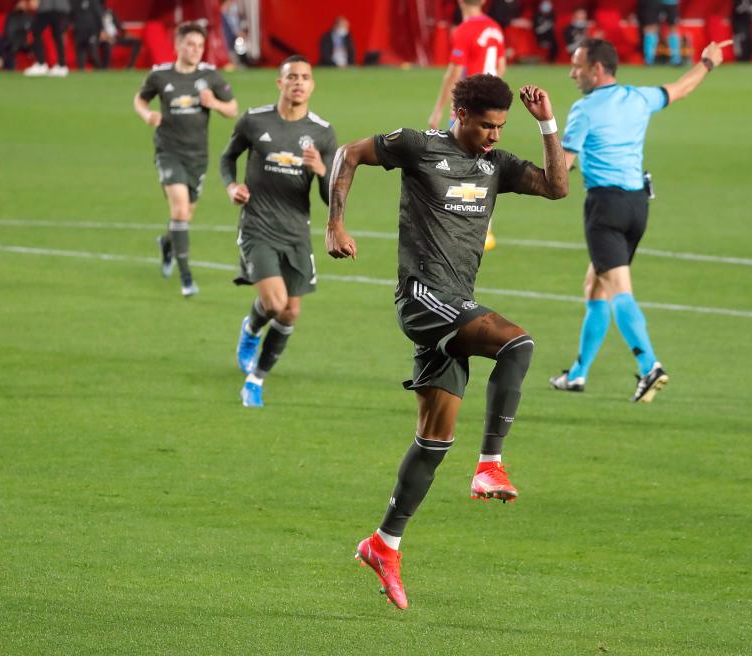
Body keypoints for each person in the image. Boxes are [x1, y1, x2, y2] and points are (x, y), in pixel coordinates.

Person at [326, 74, 568, 609]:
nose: (494, 136)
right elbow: (348, 153)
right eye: (486, 125)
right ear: (459, 113)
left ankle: (383, 544)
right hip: (423, 298)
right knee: (517, 343)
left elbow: (557, 187)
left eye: (501, 127)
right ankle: (489, 465)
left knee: (434, 440)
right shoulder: (418, 146)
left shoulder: (495, 166)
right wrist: (335, 224)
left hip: (453, 307)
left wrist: (547, 123)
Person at [549, 38, 731, 402]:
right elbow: (680, 89)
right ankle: (578, 374)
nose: (572, 74)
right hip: (637, 206)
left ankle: (650, 367)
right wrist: (707, 63)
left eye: (577, 67)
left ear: (596, 69)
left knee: (617, 288)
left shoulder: (583, 110)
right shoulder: (637, 97)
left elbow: (562, 166)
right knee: (595, 284)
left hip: (605, 208)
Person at [220, 56, 336, 408]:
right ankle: (252, 332)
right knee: (275, 302)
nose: (298, 83)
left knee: (290, 313)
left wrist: (321, 171)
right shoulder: (254, 121)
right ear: (279, 83)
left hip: (296, 232)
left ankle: (256, 377)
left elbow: (330, 197)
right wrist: (231, 187)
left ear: (312, 85)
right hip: (258, 226)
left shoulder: (322, 132)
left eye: (305, 77)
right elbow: (228, 158)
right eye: (292, 77)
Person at [132, 22, 238, 297]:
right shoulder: (160, 76)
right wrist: (147, 116)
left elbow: (233, 109)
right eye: (190, 44)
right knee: (179, 211)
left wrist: (214, 103)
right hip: (169, 152)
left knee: (185, 216)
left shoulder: (210, 77)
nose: (195, 50)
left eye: (200, 46)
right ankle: (186, 278)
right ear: (177, 45)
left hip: (197, 156)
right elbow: (140, 100)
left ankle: (167, 244)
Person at [429, 0, 507, 251]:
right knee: (482, 165)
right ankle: (485, 230)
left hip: (468, 105)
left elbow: (454, 72)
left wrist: (439, 109)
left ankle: (460, 225)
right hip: (492, 107)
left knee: (454, 164)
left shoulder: (463, 30)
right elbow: (501, 66)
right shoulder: (494, 27)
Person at [24, 0, 71, 77]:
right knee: (58, 35)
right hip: (59, 7)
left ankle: (42, 64)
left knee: (37, 31)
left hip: (49, 7)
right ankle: (61, 65)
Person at [98, 1, 141, 69]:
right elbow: (96, 29)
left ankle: (130, 66)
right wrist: (104, 35)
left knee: (137, 42)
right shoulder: (96, 14)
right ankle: (106, 68)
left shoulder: (111, 12)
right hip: (104, 39)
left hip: (116, 37)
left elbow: (119, 26)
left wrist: (126, 33)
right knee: (107, 44)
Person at [639, 0, 682, 65]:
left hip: (671, 2)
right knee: (651, 27)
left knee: (673, 28)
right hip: (653, 2)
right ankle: (649, 59)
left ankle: (676, 59)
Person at [2, 1, 34, 71]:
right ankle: (11, 69)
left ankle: (38, 66)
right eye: (20, 3)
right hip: (12, 42)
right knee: (11, 47)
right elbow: (9, 32)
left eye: (24, 4)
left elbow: (33, 31)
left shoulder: (29, 17)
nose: (22, 5)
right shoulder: (11, 17)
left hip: (24, 43)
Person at [71, 0, 102, 70]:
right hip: (79, 31)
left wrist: (101, 29)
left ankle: (100, 70)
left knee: (93, 52)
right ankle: (81, 71)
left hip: (92, 31)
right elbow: (70, 14)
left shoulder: (93, 2)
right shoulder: (74, 2)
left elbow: (99, 15)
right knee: (80, 52)